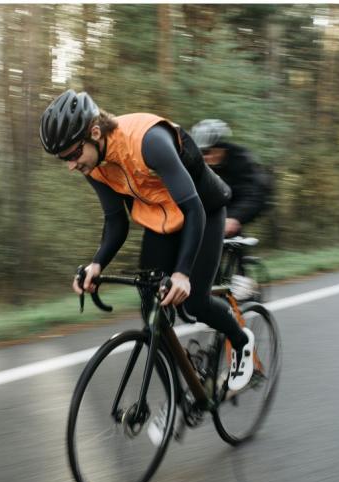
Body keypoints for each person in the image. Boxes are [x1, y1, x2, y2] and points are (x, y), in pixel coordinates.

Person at [39, 89, 255, 391]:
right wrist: (96, 264)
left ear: (95, 132)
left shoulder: (147, 141)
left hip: (202, 211)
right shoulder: (94, 163)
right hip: (161, 218)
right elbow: (116, 222)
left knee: (195, 303)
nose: (71, 165)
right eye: (64, 159)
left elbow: (193, 209)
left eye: (73, 154)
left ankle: (241, 340)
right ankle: (178, 395)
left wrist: (181, 274)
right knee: (151, 310)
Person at [190, 119, 269, 238]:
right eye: (200, 152)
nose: (204, 157)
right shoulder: (194, 162)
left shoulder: (241, 160)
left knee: (227, 229)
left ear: (223, 149)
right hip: (212, 203)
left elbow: (253, 194)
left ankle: (239, 254)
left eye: (207, 151)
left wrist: (235, 217)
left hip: (240, 201)